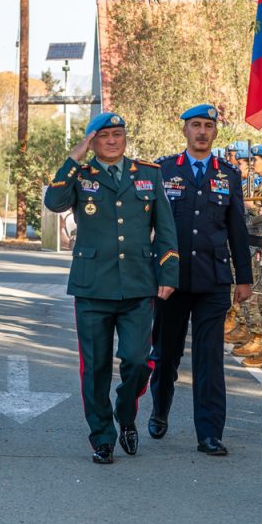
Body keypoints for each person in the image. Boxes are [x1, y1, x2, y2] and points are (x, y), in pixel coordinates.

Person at [44, 112, 178, 464]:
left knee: (137, 360)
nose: (113, 141)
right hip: (92, 286)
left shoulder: (149, 174)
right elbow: (54, 203)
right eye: (104, 136)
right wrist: (74, 156)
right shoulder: (81, 174)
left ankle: (126, 413)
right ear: (92, 142)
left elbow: (165, 228)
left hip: (138, 284)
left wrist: (168, 274)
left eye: (118, 134)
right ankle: (102, 437)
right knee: (95, 368)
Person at [148, 104, 253, 456]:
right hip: (171, 280)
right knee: (166, 354)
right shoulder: (164, 170)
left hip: (213, 279)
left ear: (215, 132)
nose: (202, 132)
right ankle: (160, 409)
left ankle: (209, 433)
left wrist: (244, 278)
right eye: (196, 125)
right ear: (185, 130)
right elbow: (148, 225)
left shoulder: (228, 174)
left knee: (209, 359)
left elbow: (237, 230)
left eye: (208, 126)